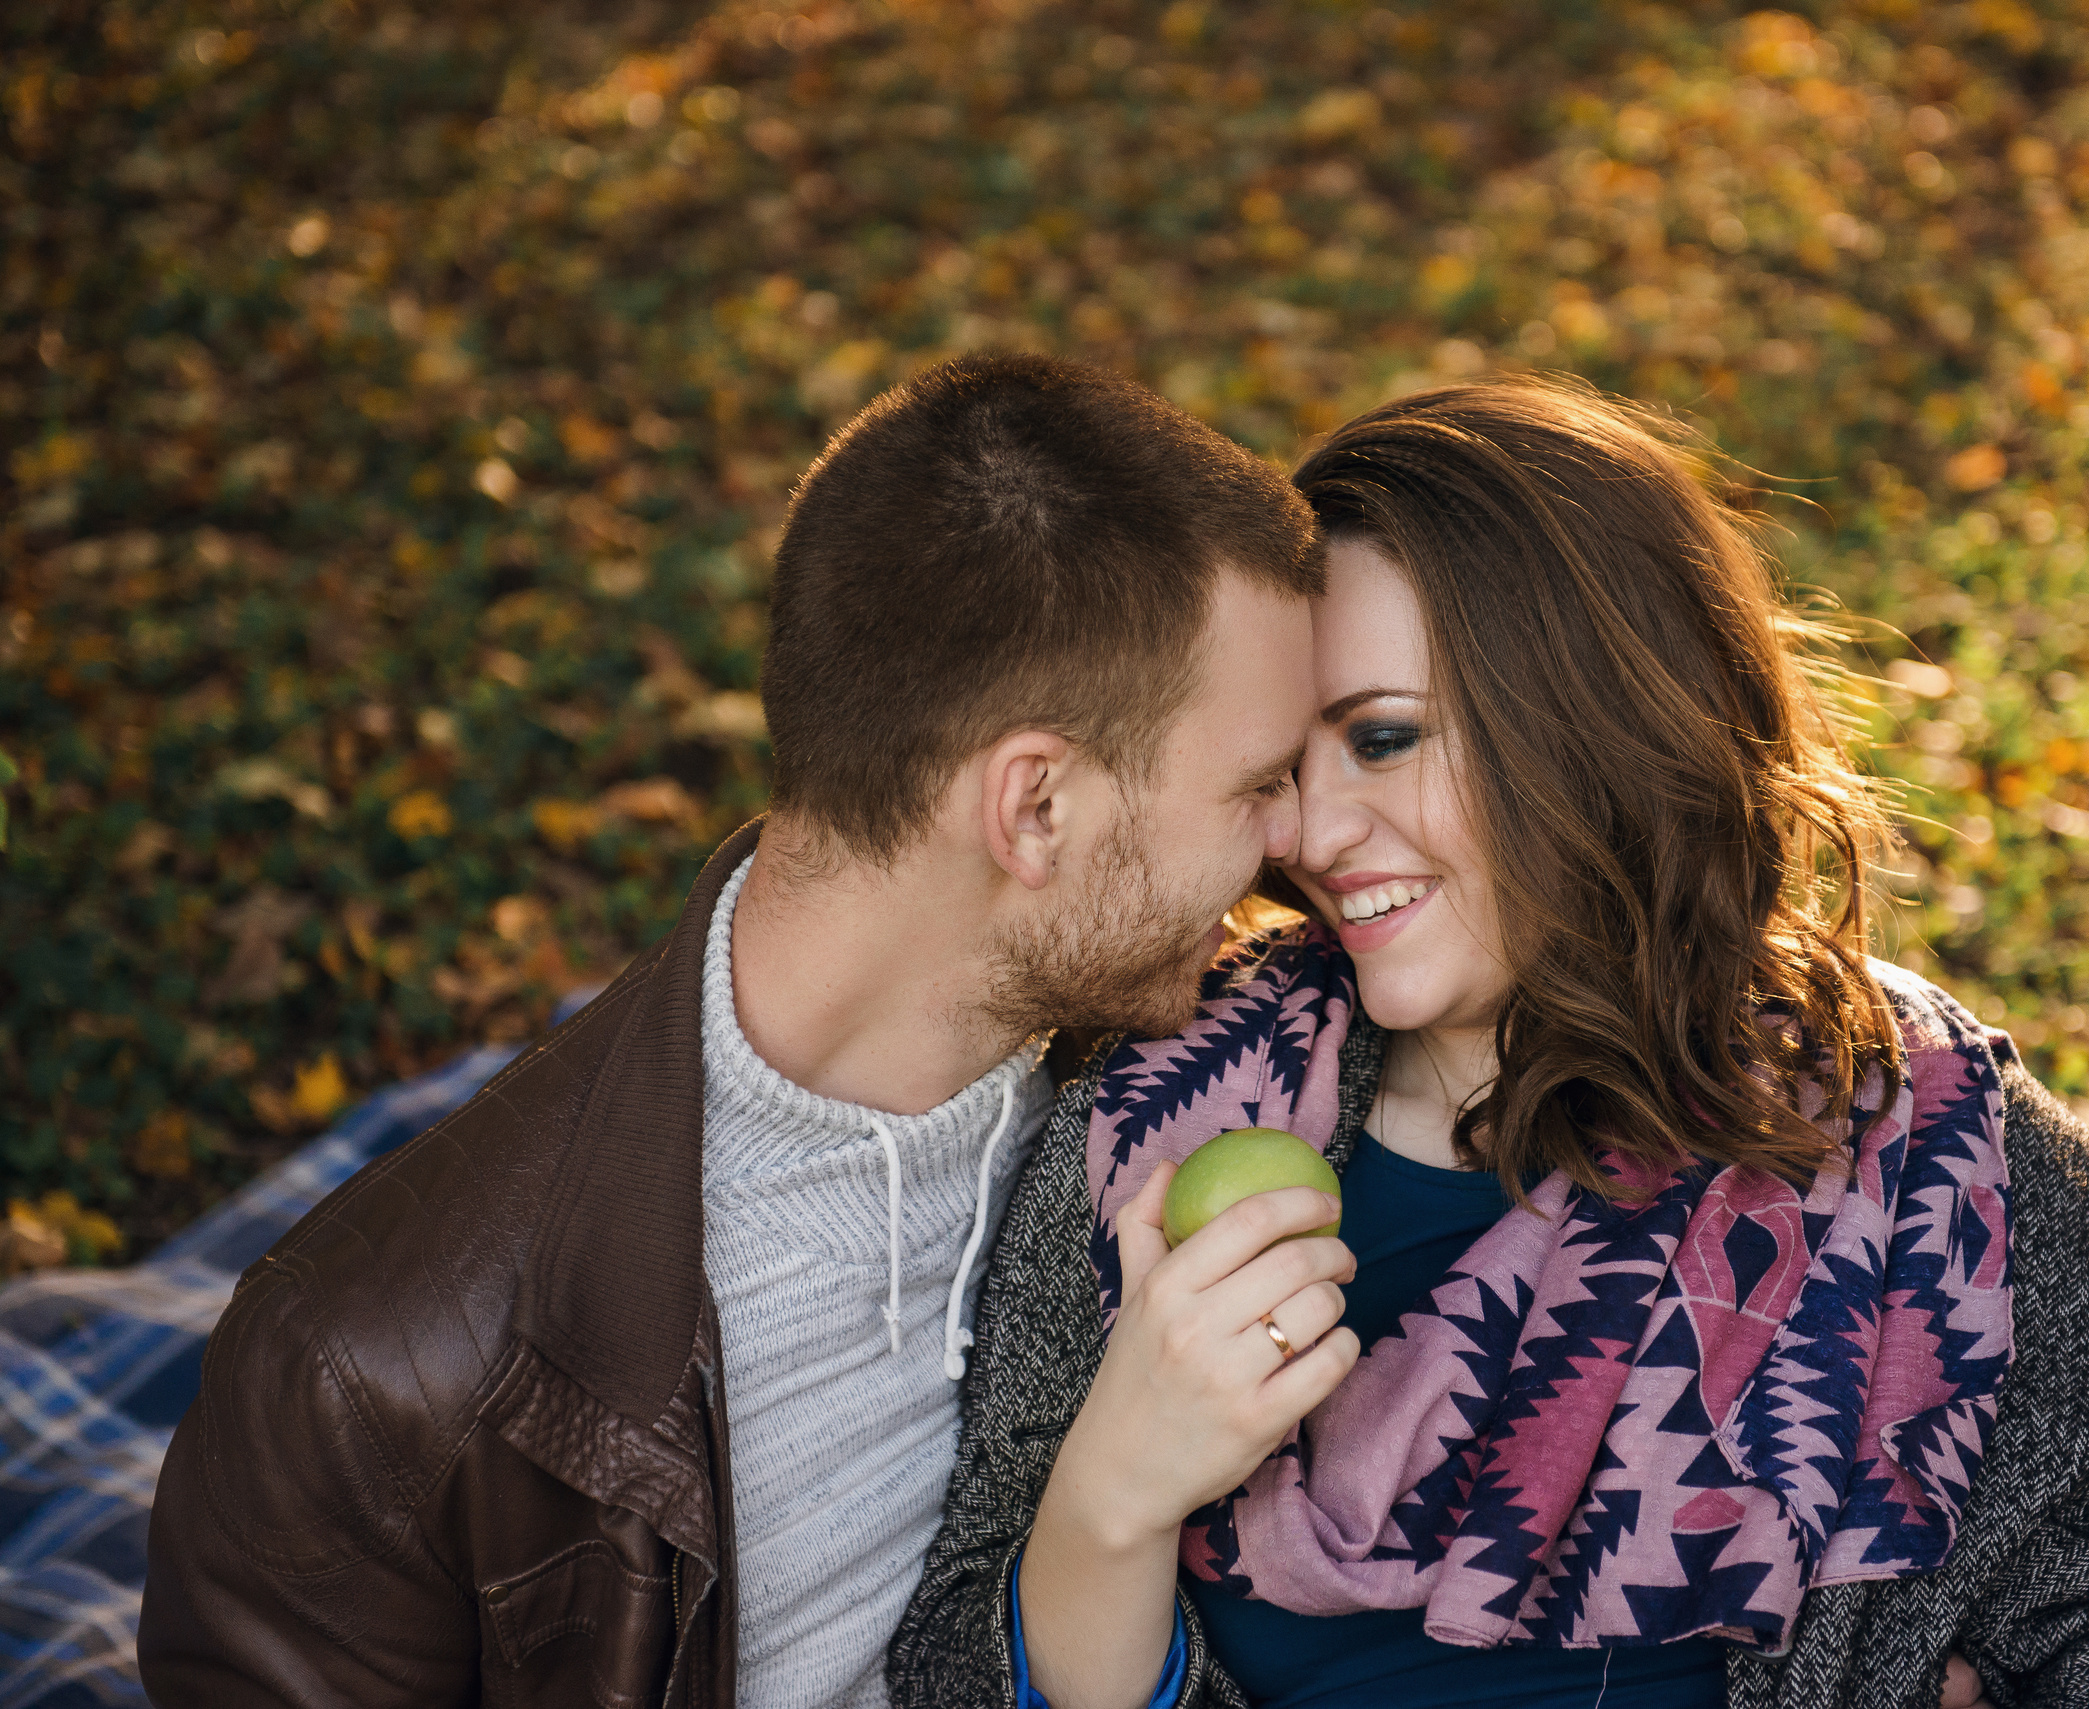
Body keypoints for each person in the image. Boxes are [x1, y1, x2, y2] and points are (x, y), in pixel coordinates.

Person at [889, 379, 2089, 1708]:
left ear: (1591, 721)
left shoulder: (1937, 1171)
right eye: (1280, 767)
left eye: (1382, 738)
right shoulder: (1161, 1117)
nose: (1310, 836)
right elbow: (952, 1653)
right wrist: (1111, 1499)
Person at [137, 353, 1327, 1708]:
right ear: (1035, 808)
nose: (1301, 841)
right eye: (1256, 785)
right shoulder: (368, 1388)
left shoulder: (1196, 1074)